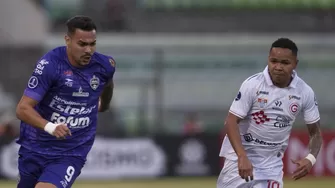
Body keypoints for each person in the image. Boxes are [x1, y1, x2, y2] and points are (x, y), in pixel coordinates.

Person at [15, 15, 115, 188]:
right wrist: (52, 127)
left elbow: (107, 85)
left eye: (92, 44)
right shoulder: (50, 65)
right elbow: (22, 109)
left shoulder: (105, 65)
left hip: (72, 150)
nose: (88, 50)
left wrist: (103, 105)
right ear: (67, 40)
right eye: (82, 44)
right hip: (35, 146)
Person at [217, 38, 322, 188]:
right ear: (268, 60)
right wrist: (242, 156)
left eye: (285, 63)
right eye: (274, 61)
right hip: (239, 160)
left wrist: (310, 158)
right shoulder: (252, 85)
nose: (278, 67)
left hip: (271, 166)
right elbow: (231, 121)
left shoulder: (305, 92)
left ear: (295, 64)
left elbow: (315, 133)